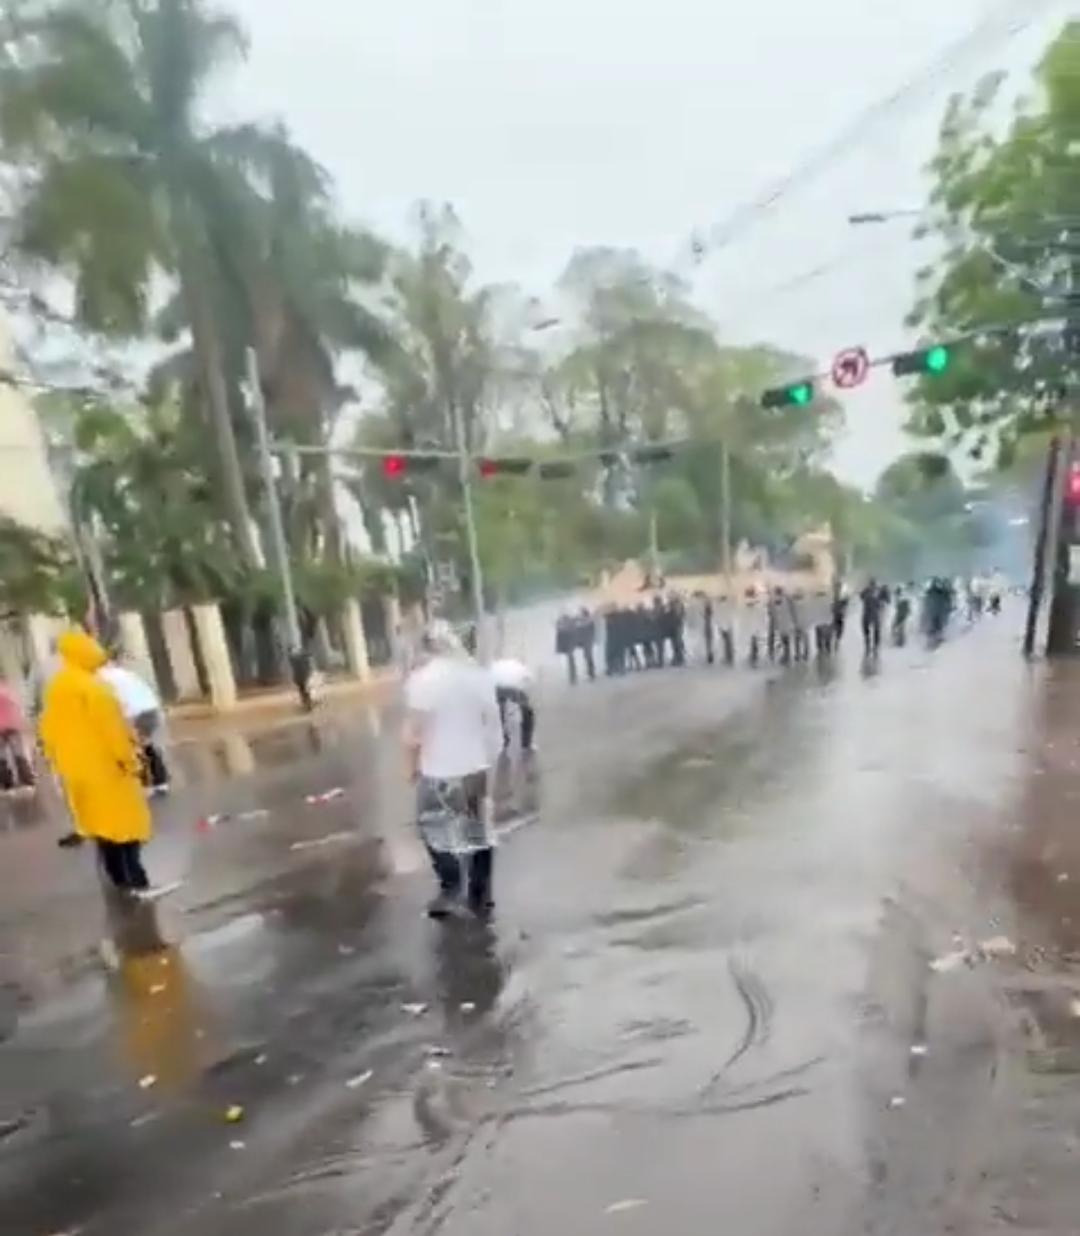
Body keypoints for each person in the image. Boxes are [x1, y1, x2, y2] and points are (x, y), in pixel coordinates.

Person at [39, 630, 155, 895]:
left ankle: (118, 880)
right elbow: (112, 730)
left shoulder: (56, 689)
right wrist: (130, 760)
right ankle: (137, 879)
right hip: (108, 770)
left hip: (76, 772)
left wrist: (56, 764)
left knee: (101, 827)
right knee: (126, 825)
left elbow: (48, 732)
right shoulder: (94, 688)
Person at [404, 622, 502, 920]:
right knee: (478, 830)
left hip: (438, 770)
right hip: (475, 768)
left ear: (427, 647)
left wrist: (409, 768)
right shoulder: (479, 676)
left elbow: (412, 733)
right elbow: (493, 726)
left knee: (433, 829)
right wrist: (489, 758)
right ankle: (480, 894)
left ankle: (451, 888)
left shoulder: (422, 680)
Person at [99, 657, 170, 795]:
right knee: (146, 746)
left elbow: (113, 699)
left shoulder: (102, 677)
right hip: (151, 710)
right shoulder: (124, 673)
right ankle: (160, 782)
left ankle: (147, 784)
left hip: (134, 713)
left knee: (135, 749)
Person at [490, 655, 536, 752]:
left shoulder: (500, 667)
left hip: (498, 684)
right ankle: (526, 743)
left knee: (501, 711)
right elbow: (527, 681)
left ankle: (504, 738)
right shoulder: (521, 671)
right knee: (527, 711)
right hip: (510, 684)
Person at [0, 679, 35, 792]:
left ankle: (6, 783)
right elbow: (16, 707)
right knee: (19, 754)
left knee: (2, 757)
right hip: (12, 726)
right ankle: (27, 780)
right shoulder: (8, 690)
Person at [859, 577, 884, 656]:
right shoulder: (867, 590)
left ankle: (873, 646)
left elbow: (884, 600)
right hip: (869, 613)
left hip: (873, 613)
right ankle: (869, 645)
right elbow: (861, 596)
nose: (872, 586)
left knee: (875, 630)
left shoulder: (878, 591)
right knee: (868, 630)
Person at [555, 613, 579, 685]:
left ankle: (573, 677)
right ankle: (573, 677)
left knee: (570, 659)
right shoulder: (569, 622)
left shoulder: (564, 623)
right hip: (569, 643)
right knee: (570, 659)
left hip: (568, 643)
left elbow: (559, 629)